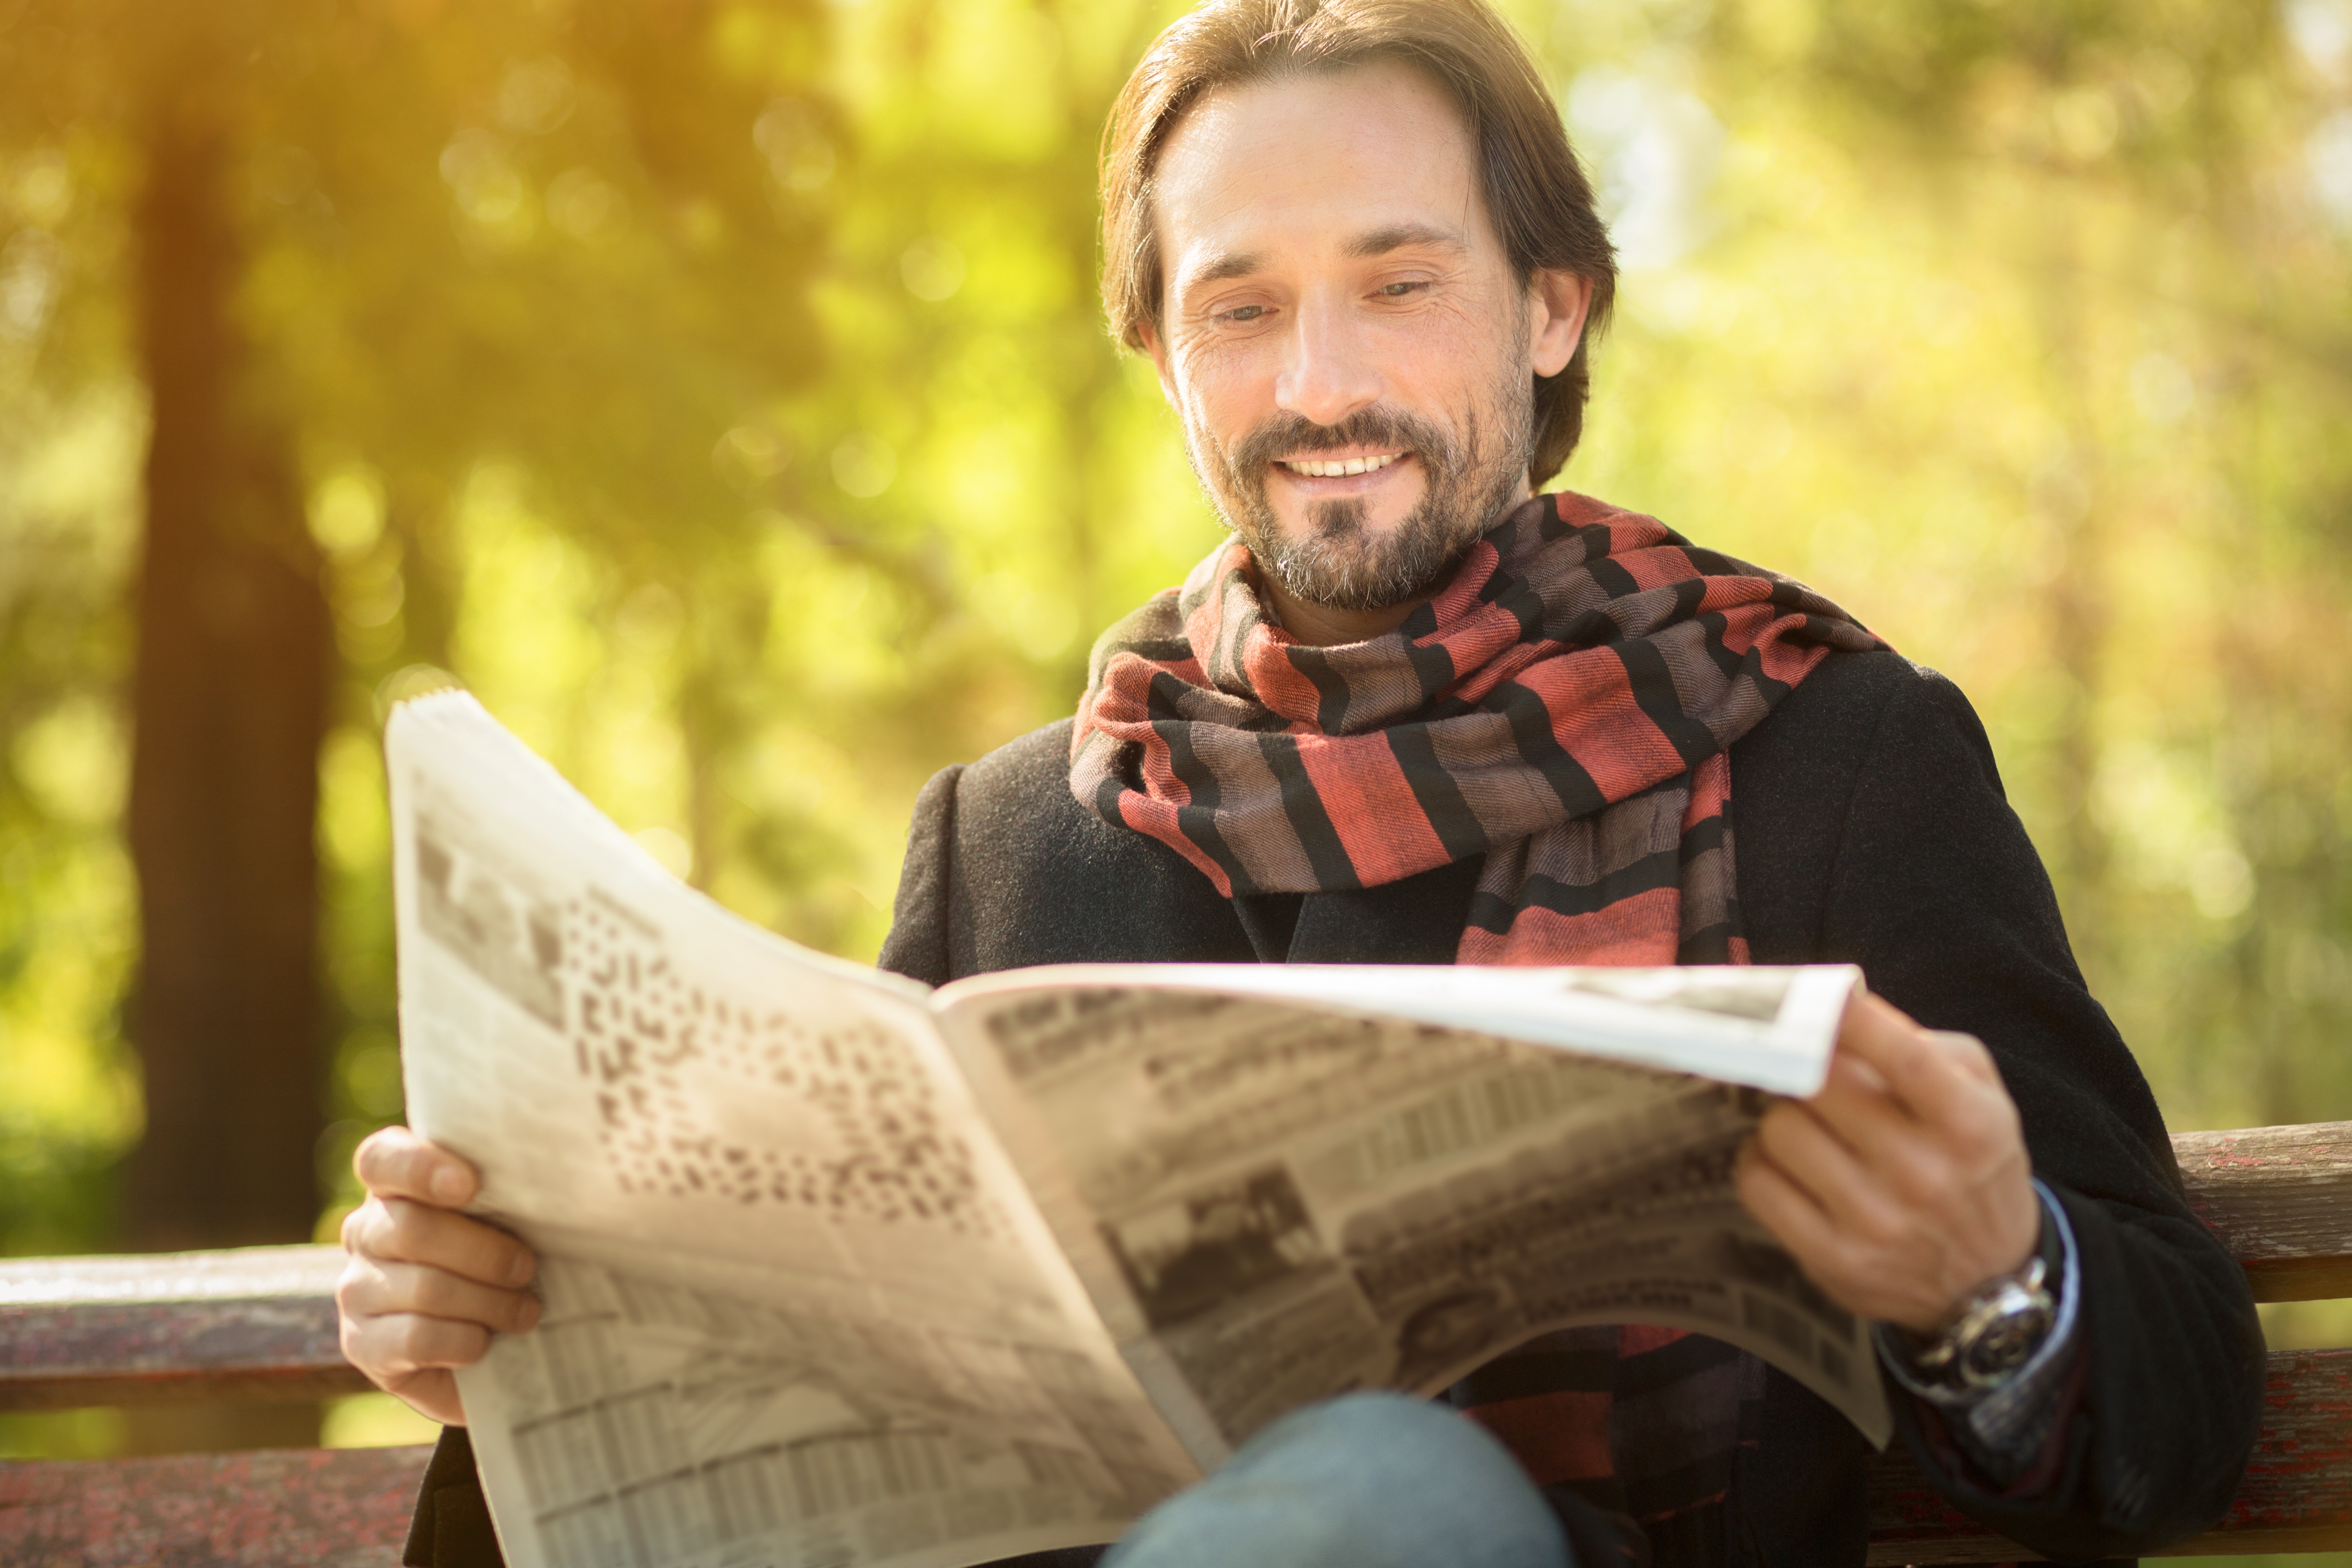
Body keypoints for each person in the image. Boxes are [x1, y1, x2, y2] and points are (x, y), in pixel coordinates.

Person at [337, 2, 2265, 1565]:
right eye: (1238, 308)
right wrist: (513, 1345)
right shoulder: (1012, 843)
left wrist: (1995, 1288)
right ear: (1163, 360)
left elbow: (2179, 1398)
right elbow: (796, 1447)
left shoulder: (1833, 756)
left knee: (1376, 1493)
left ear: (1551, 305)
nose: (1316, 382)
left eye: (1396, 283)